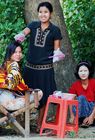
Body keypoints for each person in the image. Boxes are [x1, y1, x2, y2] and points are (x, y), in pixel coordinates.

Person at [14, 2, 65, 132]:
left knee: (44, 97)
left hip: (45, 70)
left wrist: (57, 54)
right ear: (38, 13)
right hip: (29, 69)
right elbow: (24, 32)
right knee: (23, 94)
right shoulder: (33, 25)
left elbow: (57, 49)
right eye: (41, 12)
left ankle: (40, 124)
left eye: (46, 12)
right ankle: (22, 124)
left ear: (51, 14)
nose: (43, 14)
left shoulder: (55, 30)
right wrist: (21, 36)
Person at [0, 41, 43, 111]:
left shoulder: (5, 64)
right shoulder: (13, 64)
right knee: (39, 93)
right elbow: (11, 83)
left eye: (20, 52)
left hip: (5, 96)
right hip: (7, 100)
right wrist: (26, 90)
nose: (18, 54)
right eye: (15, 52)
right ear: (10, 53)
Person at [69, 61, 95, 127]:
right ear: (78, 72)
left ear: (89, 72)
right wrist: (72, 115)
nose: (83, 73)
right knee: (81, 98)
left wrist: (92, 116)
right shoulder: (74, 85)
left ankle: (90, 119)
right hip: (82, 110)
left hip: (93, 109)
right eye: (81, 71)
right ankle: (83, 120)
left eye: (85, 71)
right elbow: (70, 101)